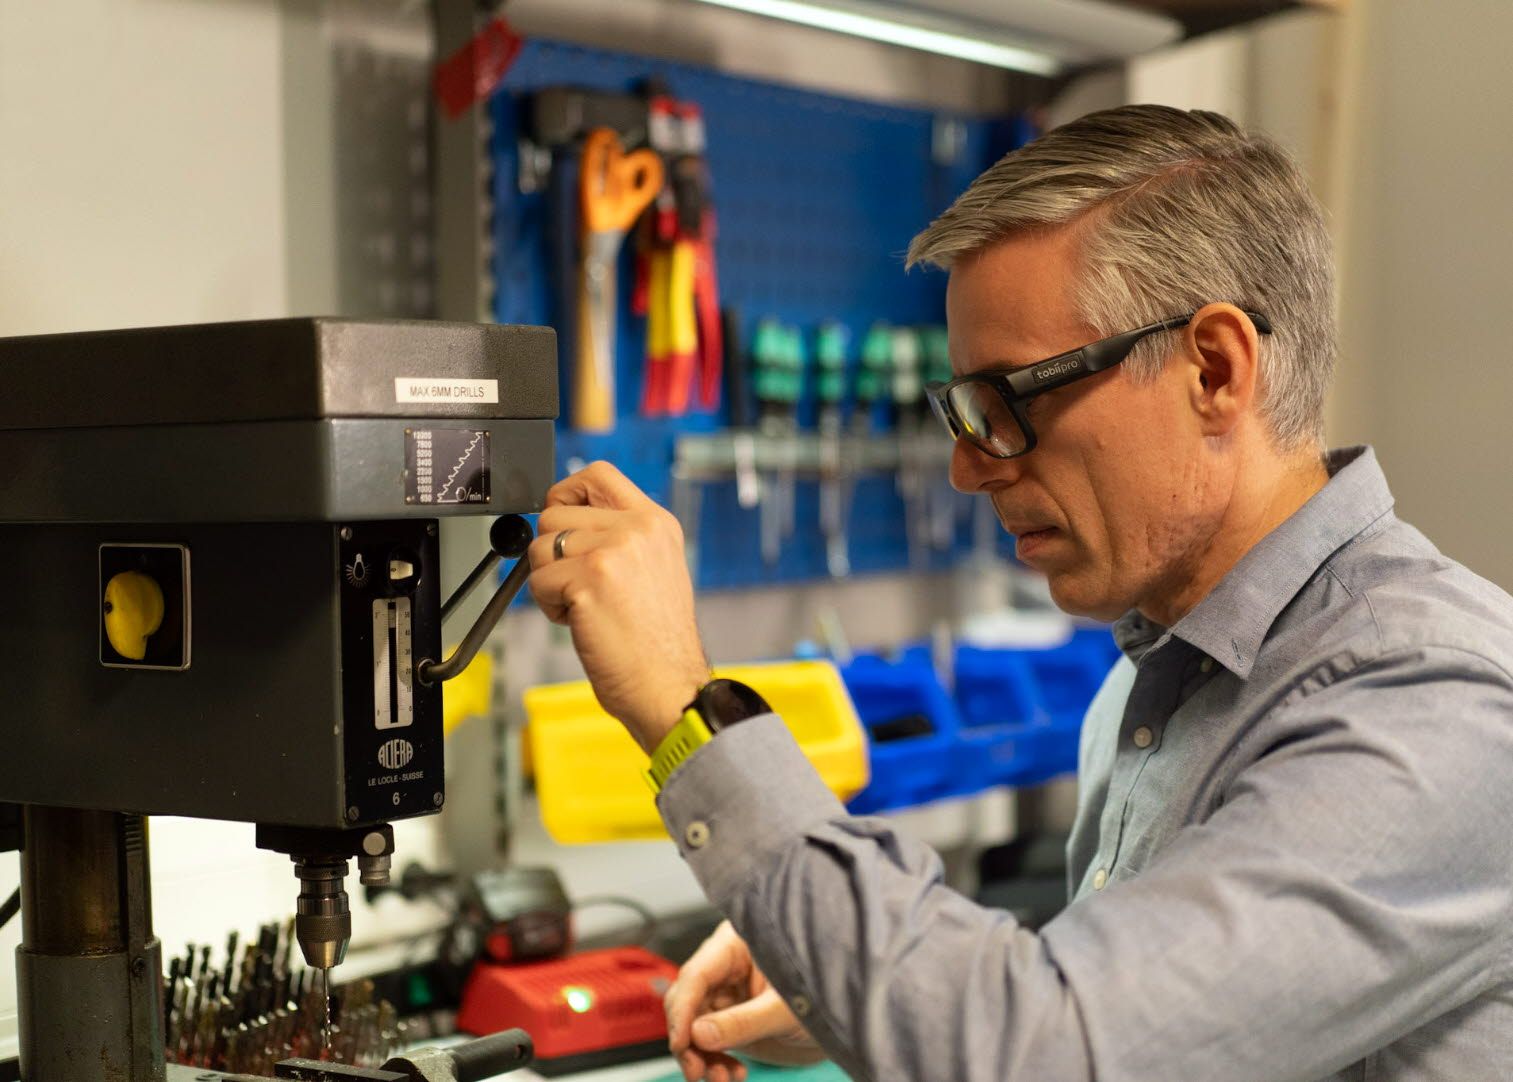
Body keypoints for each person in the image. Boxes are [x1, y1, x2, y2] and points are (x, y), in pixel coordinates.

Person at [525, 105, 1513, 1082]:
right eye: (961, 408)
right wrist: (863, 998)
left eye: (1011, 399)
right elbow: (1123, 1001)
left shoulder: (1430, 704)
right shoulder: (1152, 684)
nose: (969, 466)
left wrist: (684, 701)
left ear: (1212, 368)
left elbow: (1043, 1051)